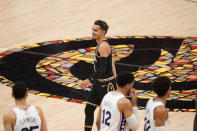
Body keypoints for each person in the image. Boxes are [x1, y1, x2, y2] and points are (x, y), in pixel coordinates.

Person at [80, 20, 117, 131]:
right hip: (99, 83)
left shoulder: (103, 46)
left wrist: (89, 79)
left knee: (108, 116)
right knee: (89, 109)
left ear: (103, 32)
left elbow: (103, 68)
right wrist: (116, 76)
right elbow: (111, 63)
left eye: (95, 30)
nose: (93, 32)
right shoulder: (101, 45)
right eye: (92, 30)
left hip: (106, 84)